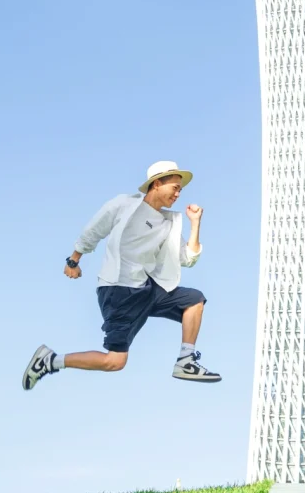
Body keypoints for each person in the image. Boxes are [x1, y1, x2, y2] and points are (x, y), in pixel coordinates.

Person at [22, 160, 221, 391]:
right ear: (156, 184)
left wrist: (195, 224)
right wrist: (73, 260)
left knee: (194, 300)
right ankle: (49, 361)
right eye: (175, 187)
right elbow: (94, 230)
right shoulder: (124, 205)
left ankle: (186, 361)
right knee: (115, 361)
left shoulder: (169, 222)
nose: (178, 193)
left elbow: (187, 259)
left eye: (180, 189)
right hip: (119, 290)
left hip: (148, 288)